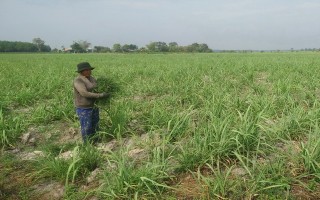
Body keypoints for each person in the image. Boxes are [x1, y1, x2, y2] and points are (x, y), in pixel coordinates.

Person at [73, 62, 108, 143]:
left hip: (94, 106)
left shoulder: (92, 78)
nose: (89, 71)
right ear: (81, 71)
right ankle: (87, 145)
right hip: (84, 108)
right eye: (87, 70)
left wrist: (104, 90)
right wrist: (100, 95)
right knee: (87, 127)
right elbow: (84, 93)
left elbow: (96, 88)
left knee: (95, 125)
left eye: (89, 69)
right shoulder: (78, 80)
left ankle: (96, 141)